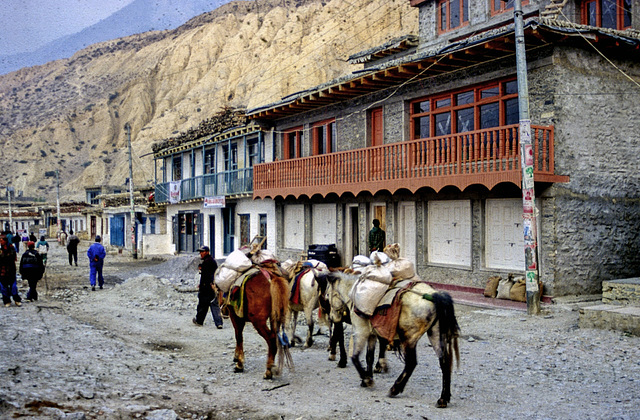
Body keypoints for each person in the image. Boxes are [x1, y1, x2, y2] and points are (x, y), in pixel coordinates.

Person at [192, 245, 223, 329]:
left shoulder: (207, 262)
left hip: (207, 287)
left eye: (202, 252)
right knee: (214, 305)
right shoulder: (211, 261)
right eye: (200, 252)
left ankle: (199, 321)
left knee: (202, 305)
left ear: (207, 252)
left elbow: (206, 276)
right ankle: (219, 323)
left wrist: (203, 285)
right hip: (212, 286)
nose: (200, 254)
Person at [0, 235, 21, 307]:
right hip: (2, 271)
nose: (1, 241)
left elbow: (12, 257)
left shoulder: (11, 248)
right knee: (3, 287)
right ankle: (6, 301)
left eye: (2, 240)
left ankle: (17, 300)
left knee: (13, 287)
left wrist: (4, 256)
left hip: (11, 270)